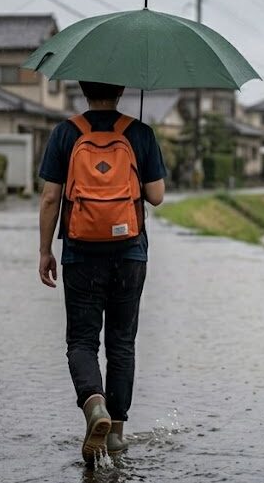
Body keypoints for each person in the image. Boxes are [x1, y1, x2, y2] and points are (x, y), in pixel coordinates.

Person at [37, 80, 167, 464]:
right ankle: (116, 436)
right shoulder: (139, 133)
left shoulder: (66, 133)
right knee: (122, 344)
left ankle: (95, 406)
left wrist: (45, 250)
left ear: (82, 88)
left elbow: (49, 197)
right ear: (122, 90)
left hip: (80, 251)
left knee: (82, 342)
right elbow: (157, 196)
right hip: (129, 252)